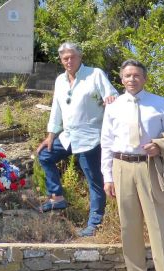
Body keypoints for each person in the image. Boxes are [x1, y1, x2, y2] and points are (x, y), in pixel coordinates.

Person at [101, 60, 164, 271]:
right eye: (127, 76)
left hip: (151, 167)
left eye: (136, 75)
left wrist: (160, 146)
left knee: (159, 225)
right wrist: (107, 176)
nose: (132, 79)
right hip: (121, 166)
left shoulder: (160, 104)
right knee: (129, 227)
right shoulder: (113, 106)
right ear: (121, 79)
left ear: (145, 79)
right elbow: (106, 143)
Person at [36, 42, 118, 237]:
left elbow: (111, 95)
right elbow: (56, 109)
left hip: (91, 137)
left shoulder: (94, 74)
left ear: (80, 57)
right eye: (65, 58)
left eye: (72, 57)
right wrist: (50, 136)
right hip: (68, 136)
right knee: (45, 155)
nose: (69, 61)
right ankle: (56, 196)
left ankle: (94, 225)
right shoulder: (60, 80)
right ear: (61, 60)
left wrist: (110, 100)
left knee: (95, 182)